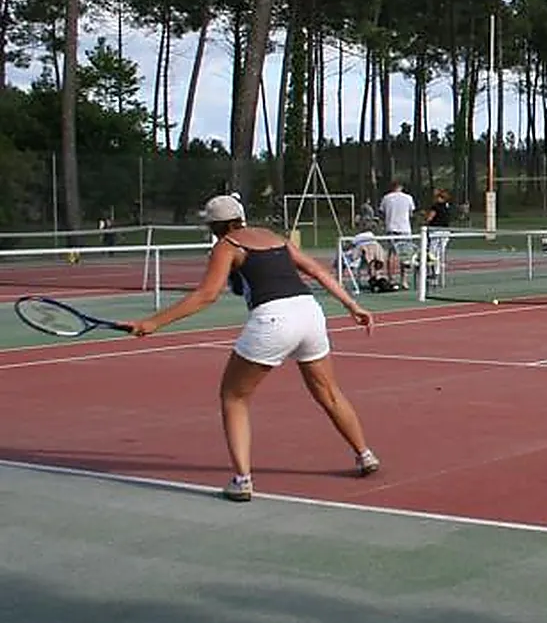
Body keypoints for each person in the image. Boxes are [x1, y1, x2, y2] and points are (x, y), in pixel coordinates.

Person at [129, 194, 380, 503]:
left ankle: (242, 480)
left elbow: (207, 295)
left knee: (233, 397)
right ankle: (365, 454)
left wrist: (154, 322)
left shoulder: (226, 246)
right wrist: (353, 305)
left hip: (273, 319)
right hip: (310, 313)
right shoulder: (273, 236)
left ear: (215, 226)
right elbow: (316, 270)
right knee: (329, 392)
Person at [378, 180, 416, 287]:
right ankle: (404, 280)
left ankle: (391, 279)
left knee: (391, 255)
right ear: (401, 187)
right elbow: (411, 213)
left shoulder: (386, 198)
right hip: (405, 229)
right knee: (404, 255)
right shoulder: (408, 198)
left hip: (391, 228)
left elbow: (382, 213)